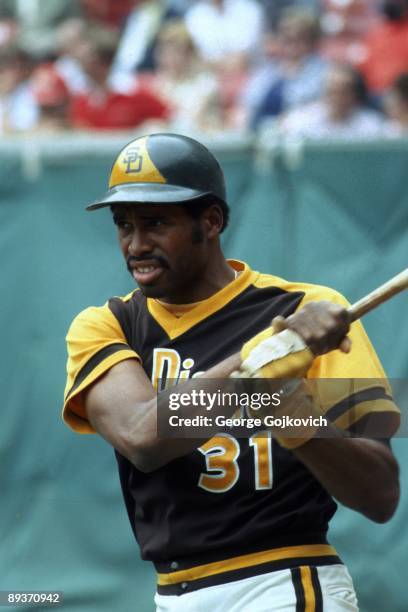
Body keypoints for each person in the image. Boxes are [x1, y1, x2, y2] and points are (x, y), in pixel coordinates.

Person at [63, 133, 400, 611]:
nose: (136, 244)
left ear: (212, 221)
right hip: (174, 594)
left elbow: (379, 494)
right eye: (124, 225)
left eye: (156, 222)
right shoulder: (107, 325)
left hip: (285, 582)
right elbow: (142, 438)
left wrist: (288, 407)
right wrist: (258, 361)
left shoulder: (307, 310)